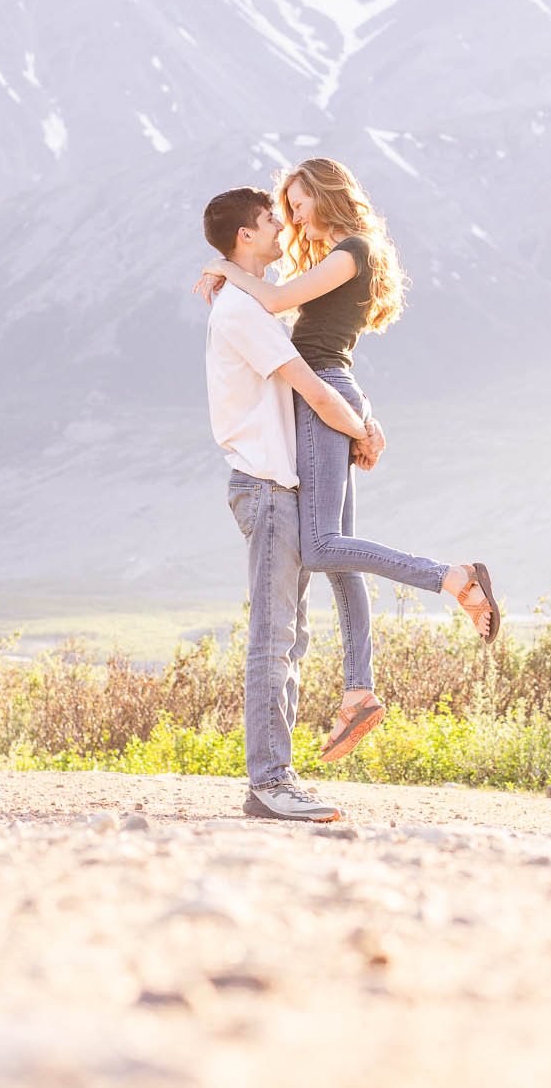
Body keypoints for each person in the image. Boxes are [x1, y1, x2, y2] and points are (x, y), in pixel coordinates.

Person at [201, 158, 498, 767]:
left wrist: (227, 269)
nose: (292, 216)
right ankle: (359, 689)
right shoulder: (339, 256)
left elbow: (281, 302)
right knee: (338, 552)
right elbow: (301, 323)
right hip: (336, 391)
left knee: (322, 546)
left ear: (325, 193)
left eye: (298, 201)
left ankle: (452, 577)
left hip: (325, 398)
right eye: (282, 208)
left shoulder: (352, 250)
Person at [201, 185, 368, 823]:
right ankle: (269, 783)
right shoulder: (244, 312)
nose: (282, 228)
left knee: (289, 638)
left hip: (279, 488)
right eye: (271, 220)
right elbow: (315, 394)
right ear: (247, 236)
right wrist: (365, 432)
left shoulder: (248, 304)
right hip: (267, 489)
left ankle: (276, 779)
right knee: (273, 640)